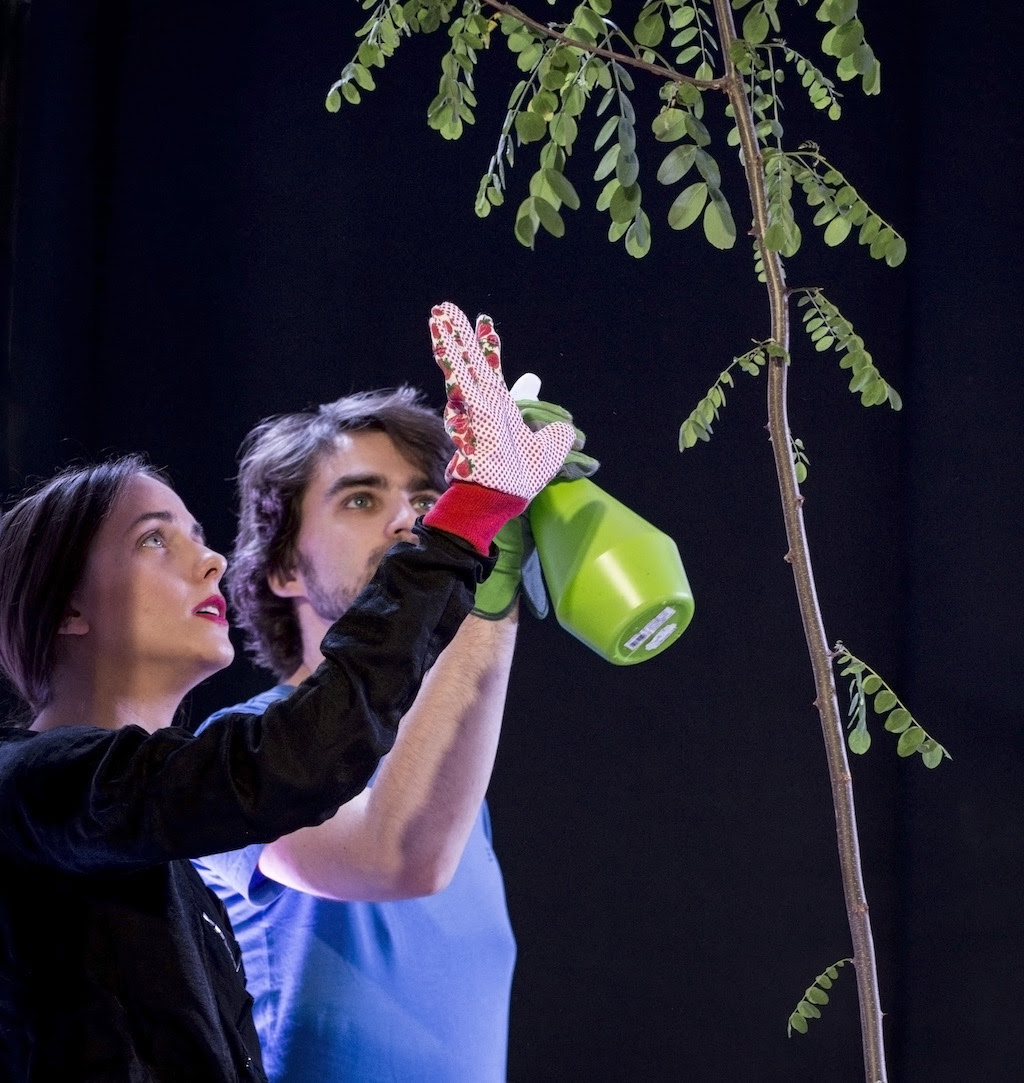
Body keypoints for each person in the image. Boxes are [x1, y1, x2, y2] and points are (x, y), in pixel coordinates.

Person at [0, 301, 576, 1081]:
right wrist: (472, 523)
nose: (410, 521)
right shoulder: (52, 782)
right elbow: (329, 798)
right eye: (154, 539)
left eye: (427, 497)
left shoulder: (181, 881)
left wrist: (485, 543)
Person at [193, 304, 570, 1082]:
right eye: (361, 499)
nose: (409, 523)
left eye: (430, 500)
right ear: (283, 566)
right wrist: (491, 579)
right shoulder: (233, 749)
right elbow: (397, 855)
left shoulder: (455, 791)